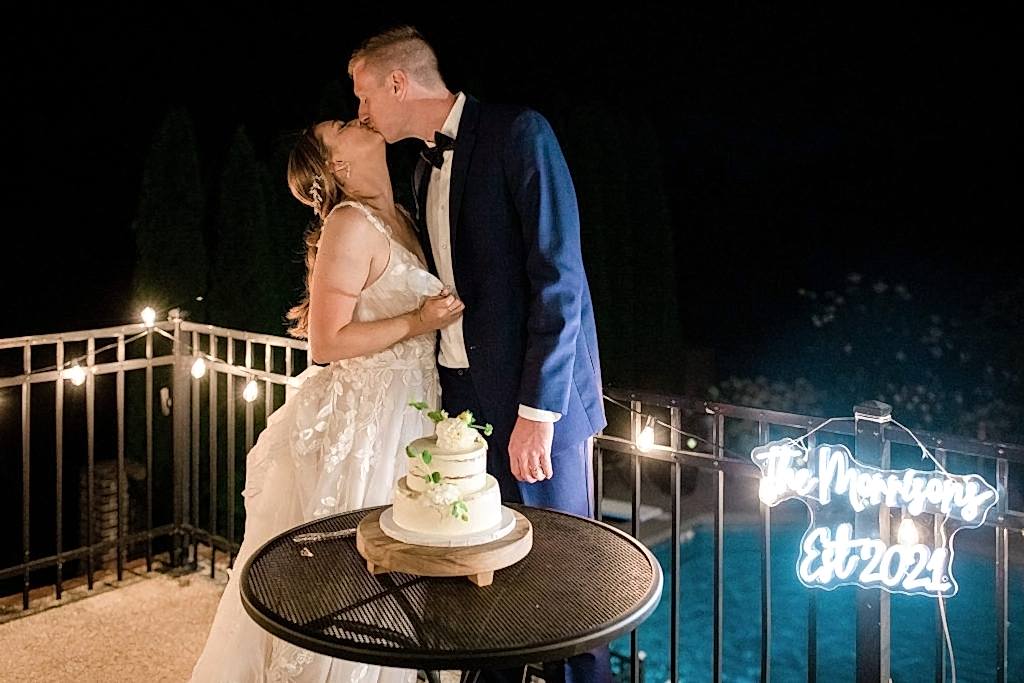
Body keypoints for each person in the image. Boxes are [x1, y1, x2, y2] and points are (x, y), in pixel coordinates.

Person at [349, 26, 609, 683]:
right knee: (476, 568)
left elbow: (561, 279)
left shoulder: (519, 131)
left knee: (562, 575)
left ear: (398, 83)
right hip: (462, 405)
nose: (361, 112)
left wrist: (538, 411)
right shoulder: (419, 166)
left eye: (363, 95)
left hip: (535, 406)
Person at [189, 118, 464, 682]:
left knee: (402, 565)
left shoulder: (403, 215)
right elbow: (326, 341)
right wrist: (418, 319)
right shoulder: (348, 223)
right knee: (356, 576)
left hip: (412, 407)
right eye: (341, 126)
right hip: (369, 418)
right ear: (336, 165)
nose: (356, 119)